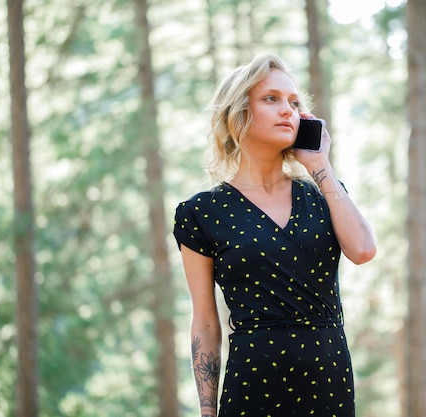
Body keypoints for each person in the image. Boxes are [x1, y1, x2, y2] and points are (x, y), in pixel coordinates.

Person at [173, 52, 377, 417]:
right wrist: (207, 411)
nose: (288, 110)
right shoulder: (201, 212)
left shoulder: (324, 193)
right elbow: (204, 319)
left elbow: (362, 249)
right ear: (239, 112)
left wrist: (319, 164)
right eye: (271, 99)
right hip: (253, 384)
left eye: (295, 103)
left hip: (327, 381)